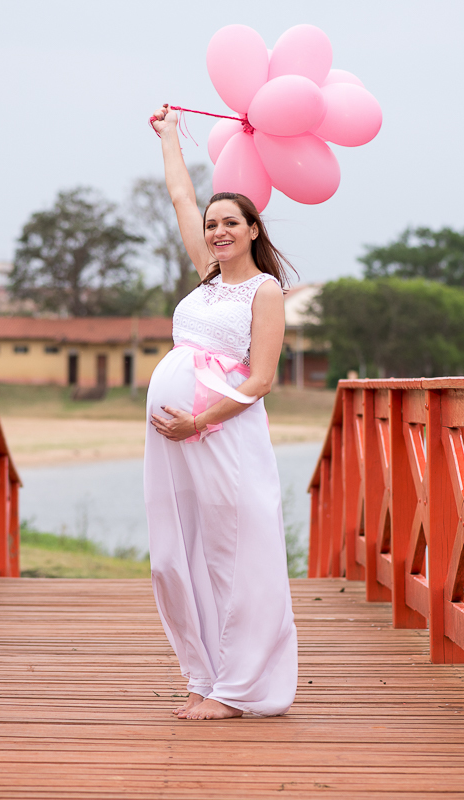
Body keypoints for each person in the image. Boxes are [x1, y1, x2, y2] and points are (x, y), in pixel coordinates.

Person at [144, 104, 299, 721]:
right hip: (171, 440)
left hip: (222, 435)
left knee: (235, 553)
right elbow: (181, 197)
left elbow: (260, 380)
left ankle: (237, 688)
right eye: (212, 225)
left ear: (254, 230)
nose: (217, 232)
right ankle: (201, 674)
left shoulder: (265, 291)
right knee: (175, 553)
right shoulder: (205, 278)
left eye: (231, 222)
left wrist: (198, 421)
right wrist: (168, 138)